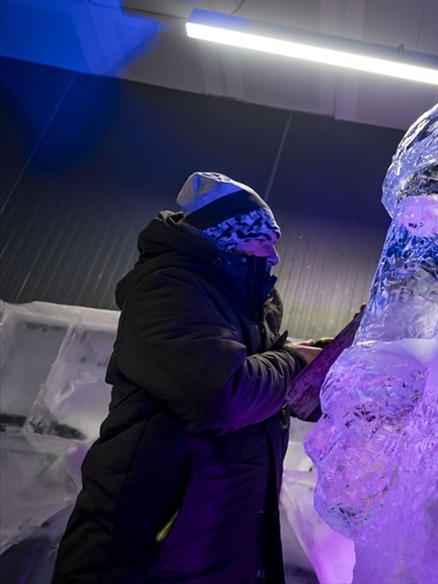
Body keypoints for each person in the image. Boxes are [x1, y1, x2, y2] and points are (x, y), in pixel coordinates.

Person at [52, 172, 322, 583]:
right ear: (226, 236)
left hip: (208, 550)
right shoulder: (166, 289)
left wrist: (328, 360)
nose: (274, 256)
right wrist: (295, 361)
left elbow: (269, 390)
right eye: (263, 240)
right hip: (145, 556)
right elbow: (224, 393)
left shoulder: (241, 310)